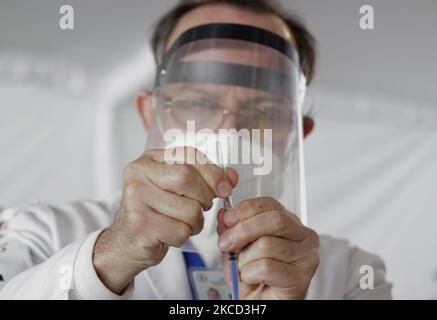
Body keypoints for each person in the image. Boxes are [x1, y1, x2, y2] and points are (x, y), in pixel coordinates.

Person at [0, 0, 392, 300]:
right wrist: (108, 258)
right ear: (148, 113)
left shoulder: (349, 274)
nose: (230, 131)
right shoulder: (42, 232)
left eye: (265, 111)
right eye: (198, 104)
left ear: (299, 134)